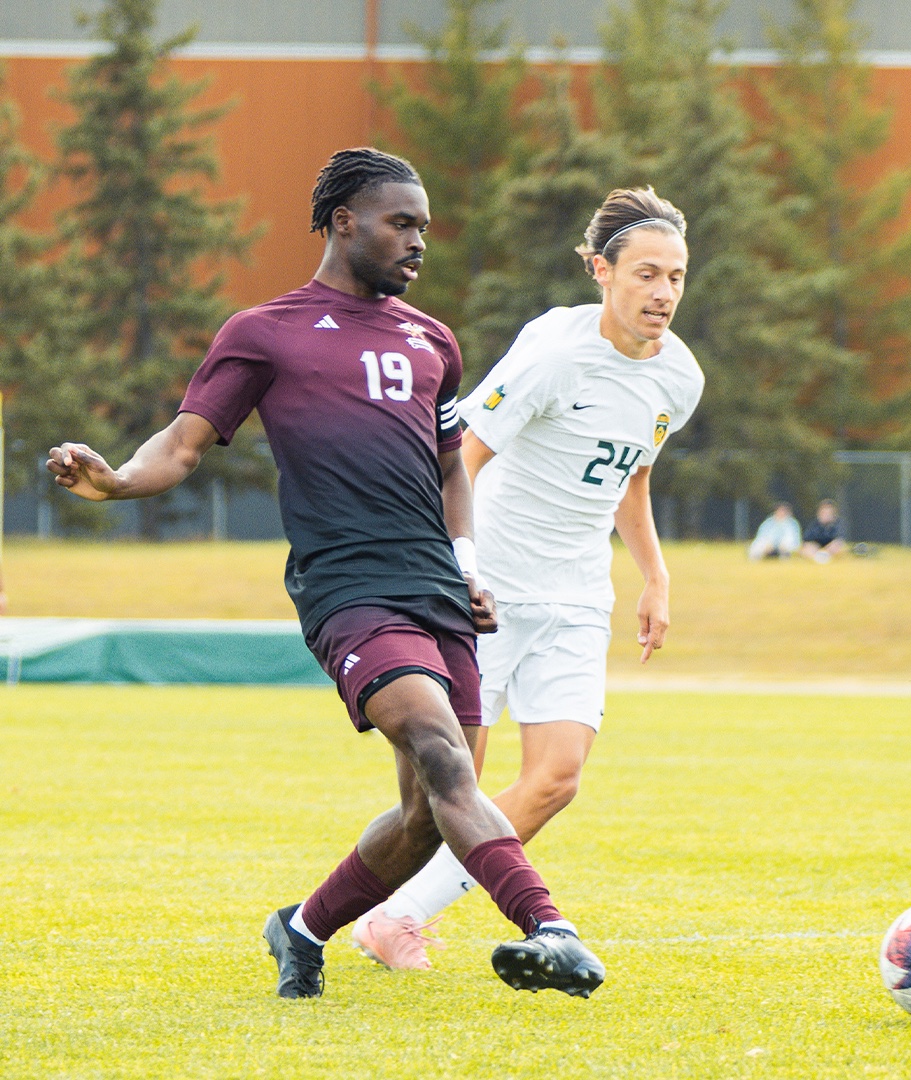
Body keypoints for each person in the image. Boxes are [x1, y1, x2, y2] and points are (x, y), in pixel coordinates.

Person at [46, 147, 604, 1000]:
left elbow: (453, 466)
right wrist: (118, 479)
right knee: (441, 752)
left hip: (437, 590)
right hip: (349, 589)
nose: (419, 242)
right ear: (345, 221)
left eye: (424, 227)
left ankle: (300, 928)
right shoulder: (265, 332)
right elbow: (183, 444)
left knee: (424, 817)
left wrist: (467, 567)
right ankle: (549, 927)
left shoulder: (433, 341)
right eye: (401, 223)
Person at [351, 187, 704, 971]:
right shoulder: (553, 351)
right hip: (489, 594)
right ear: (601, 272)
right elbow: (464, 454)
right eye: (647, 274)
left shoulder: (679, 378)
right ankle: (336, 909)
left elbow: (632, 478)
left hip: (578, 597)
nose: (664, 293)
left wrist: (656, 577)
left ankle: (398, 918)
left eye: (676, 276)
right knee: (445, 792)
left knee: (555, 779)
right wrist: (456, 566)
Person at [801, 498, 847, 562]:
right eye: (823, 513)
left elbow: (839, 540)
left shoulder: (838, 524)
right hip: (816, 550)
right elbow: (806, 541)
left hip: (831, 550)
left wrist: (826, 551)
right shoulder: (814, 525)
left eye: (828, 513)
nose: (825, 515)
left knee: (838, 547)